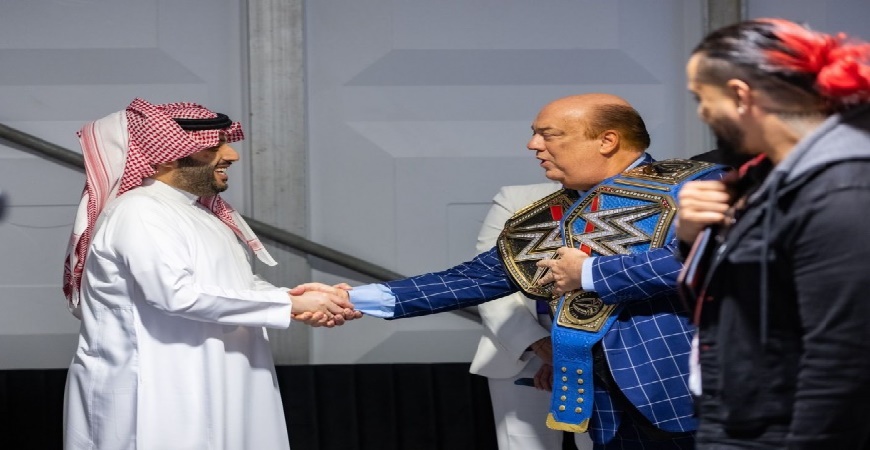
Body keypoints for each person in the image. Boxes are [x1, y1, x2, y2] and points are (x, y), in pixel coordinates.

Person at [299, 93, 727, 449]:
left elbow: (709, 261)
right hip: (603, 402)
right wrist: (352, 298)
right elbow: (473, 279)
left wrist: (591, 273)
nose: (533, 145)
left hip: (691, 391)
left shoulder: (700, 184)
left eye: (549, 134)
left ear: (607, 140)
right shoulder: (556, 211)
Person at [62, 98, 359, 450]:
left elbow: (235, 286)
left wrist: (300, 299)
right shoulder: (139, 210)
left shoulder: (203, 215)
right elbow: (176, 295)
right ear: (169, 155)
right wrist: (289, 305)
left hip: (215, 380)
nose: (231, 155)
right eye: (214, 147)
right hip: (159, 389)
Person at [676, 19, 870, 449]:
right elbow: (746, 292)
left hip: (781, 433)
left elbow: (844, 356)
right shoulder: (767, 179)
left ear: (740, 95)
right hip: (743, 418)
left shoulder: (842, 188)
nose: (702, 113)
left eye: (701, 97)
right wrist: (693, 237)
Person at [470, 181, 593, 450]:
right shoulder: (516, 198)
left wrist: (569, 351)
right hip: (521, 347)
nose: (539, 156)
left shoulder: (633, 196)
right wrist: (538, 344)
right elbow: (487, 279)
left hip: (598, 346)